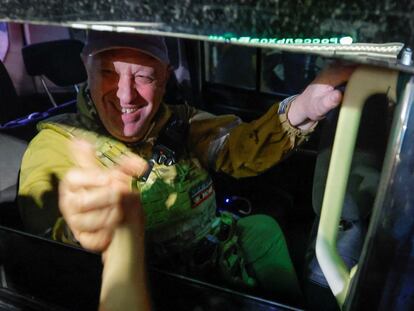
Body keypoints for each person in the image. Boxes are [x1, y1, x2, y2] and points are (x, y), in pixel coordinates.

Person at [18, 30, 354, 302]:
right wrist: (86, 230)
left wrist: (303, 109)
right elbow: (46, 246)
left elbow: (237, 148)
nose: (125, 95)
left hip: (213, 253)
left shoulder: (179, 122)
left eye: (143, 76)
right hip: (156, 283)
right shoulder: (58, 144)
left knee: (261, 228)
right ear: (84, 67)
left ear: (164, 77)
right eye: (107, 71)